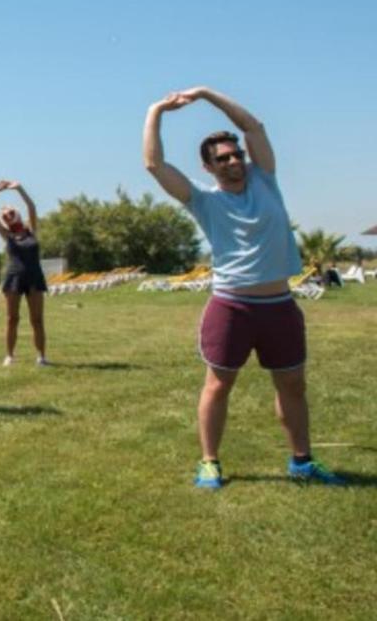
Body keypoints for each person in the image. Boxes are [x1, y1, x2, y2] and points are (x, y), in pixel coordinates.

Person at [143, 86, 344, 489]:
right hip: (232, 306)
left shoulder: (265, 180)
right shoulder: (202, 201)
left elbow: (253, 127)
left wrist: (206, 95)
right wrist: (156, 111)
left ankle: (301, 462)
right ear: (209, 167)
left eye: (236, 154)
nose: (234, 161)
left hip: (280, 305)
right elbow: (154, 164)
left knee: (292, 384)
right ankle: (209, 462)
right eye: (224, 158)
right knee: (218, 384)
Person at [0, 180, 50, 366]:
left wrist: (19, 188)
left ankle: (41, 357)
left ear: (18, 214)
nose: (8, 216)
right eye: (5, 215)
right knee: (12, 319)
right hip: (13, 278)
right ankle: (9, 356)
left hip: (34, 277)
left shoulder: (31, 230)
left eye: (11, 212)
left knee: (37, 320)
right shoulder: (6, 235)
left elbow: (32, 206)